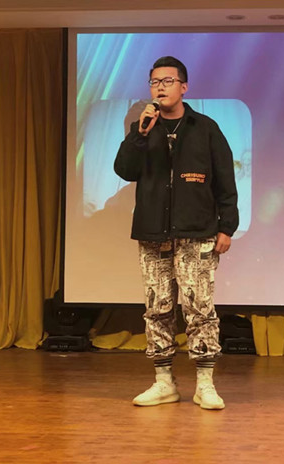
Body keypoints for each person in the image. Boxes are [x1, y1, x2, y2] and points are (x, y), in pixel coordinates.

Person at [114, 56, 239, 410]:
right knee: (157, 308)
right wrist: (140, 135)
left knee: (200, 308)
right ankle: (163, 381)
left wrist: (226, 226)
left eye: (167, 81)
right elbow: (124, 170)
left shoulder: (205, 128)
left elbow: (225, 180)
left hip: (197, 233)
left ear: (184, 87)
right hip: (153, 233)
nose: (160, 87)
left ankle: (205, 384)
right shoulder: (143, 128)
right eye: (155, 82)